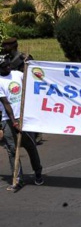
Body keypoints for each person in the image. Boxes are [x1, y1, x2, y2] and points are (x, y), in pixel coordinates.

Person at [0, 57, 43, 191]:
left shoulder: (18, 74)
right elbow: (6, 103)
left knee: (31, 146)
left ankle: (38, 173)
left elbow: (32, 80)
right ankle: (18, 179)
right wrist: (14, 122)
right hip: (9, 119)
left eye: (9, 65)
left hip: (25, 117)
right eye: (5, 67)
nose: (8, 68)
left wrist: (30, 65)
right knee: (12, 150)